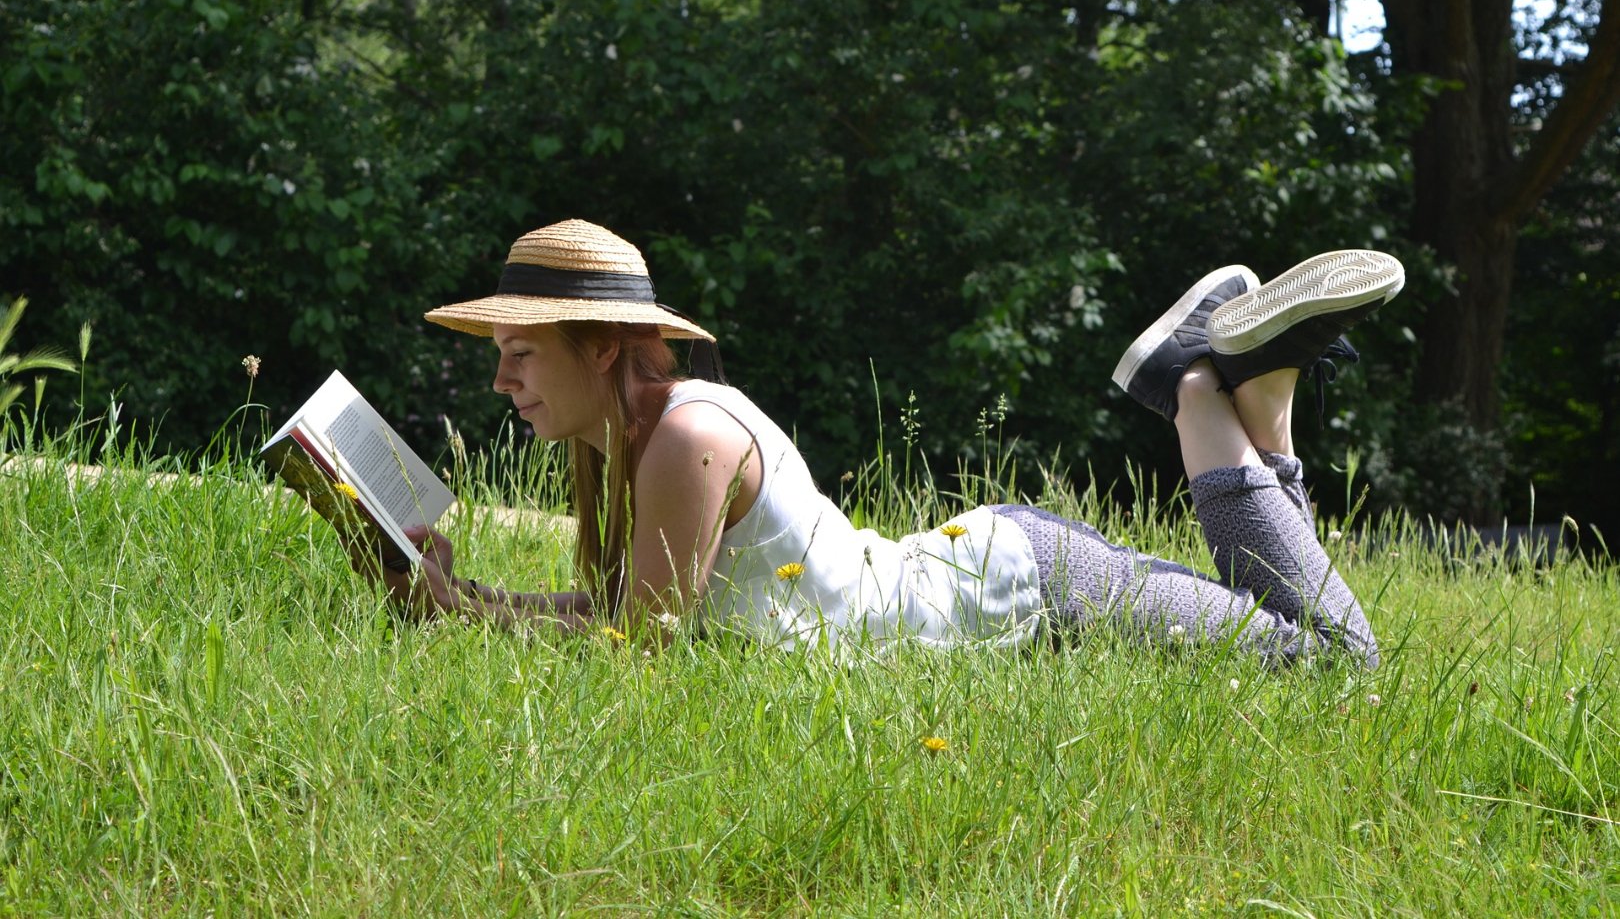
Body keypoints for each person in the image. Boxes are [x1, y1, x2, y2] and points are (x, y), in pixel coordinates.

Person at [354, 219, 1399, 666]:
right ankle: (1262, 394)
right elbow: (620, 612)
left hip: (1037, 589)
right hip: (999, 573)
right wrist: (465, 602)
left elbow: (640, 649)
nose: (499, 381)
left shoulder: (685, 438)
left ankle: (1194, 390)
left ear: (599, 350)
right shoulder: (637, 440)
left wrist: (460, 618)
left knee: (1339, 665)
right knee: (1294, 640)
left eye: (520, 354)